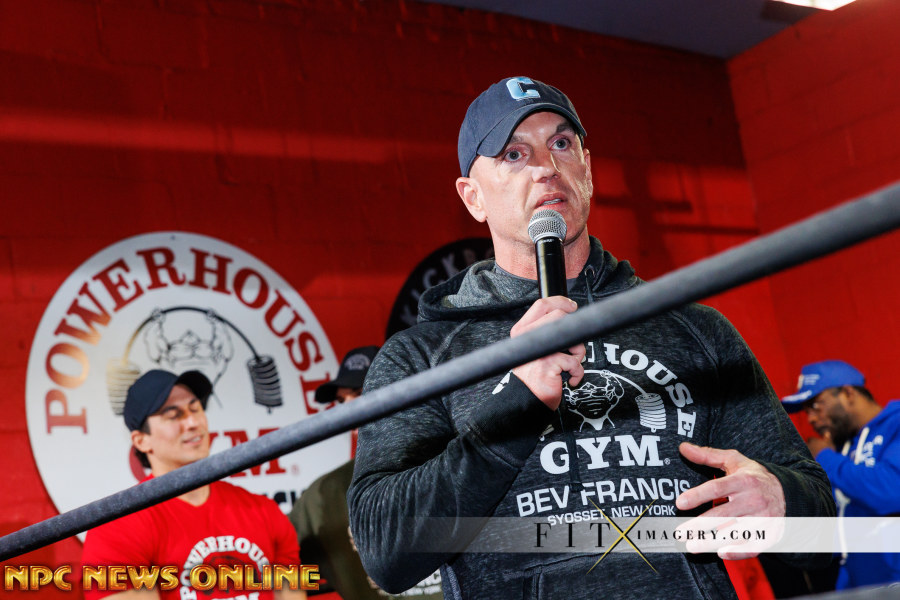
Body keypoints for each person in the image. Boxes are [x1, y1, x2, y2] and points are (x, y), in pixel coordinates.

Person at [347, 76, 835, 600]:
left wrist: (784, 502)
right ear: (473, 197)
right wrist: (515, 406)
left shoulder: (696, 330)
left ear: (588, 170)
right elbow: (384, 553)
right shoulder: (423, 357)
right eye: (513, 154)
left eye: (561, 143)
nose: (545, 167)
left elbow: (823, 535)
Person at [81, 369, 306, 600]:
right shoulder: (117, 529)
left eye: (195, 408)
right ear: (142, 441)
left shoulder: (264, 511)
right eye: (173, 415)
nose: (193, 422)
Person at [289, 346, 443, 599]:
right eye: (342, 401)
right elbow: (276, 562)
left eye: (361, 393)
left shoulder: (455, 463)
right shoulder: (325, 494)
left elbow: (513, 541)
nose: (349, 410)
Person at [782, 359, 900, 589]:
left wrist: (825, 457)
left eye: (816, 405)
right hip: (856, 584)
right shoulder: (843, 448)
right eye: (806, 411)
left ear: (848, 393)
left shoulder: (895, 423)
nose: (811, 418)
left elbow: (892, 491)